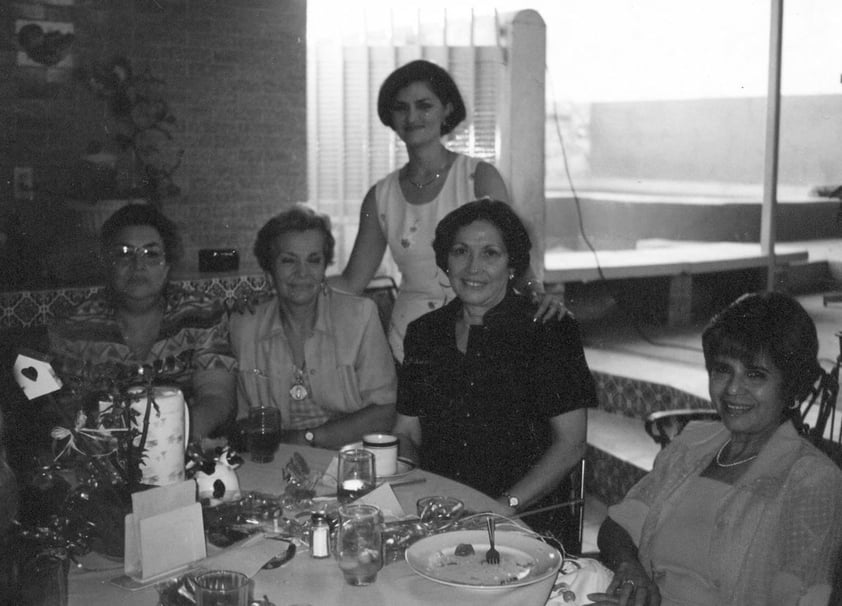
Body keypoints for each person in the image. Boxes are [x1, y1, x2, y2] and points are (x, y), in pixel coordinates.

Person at [591, 292, 842, 606]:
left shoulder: (812, 480)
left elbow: (800, 599)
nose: (732, 389)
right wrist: (630, 568)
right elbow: (618, 527)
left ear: (791, 385)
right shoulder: (694, 444)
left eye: (755, 374)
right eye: (723, 370)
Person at [392, 199, 596, 551]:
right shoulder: (424, 333)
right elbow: (406, 430)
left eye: (490, 253)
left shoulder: (548, 331)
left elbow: (571, 445)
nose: (473, 267)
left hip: (526, 518)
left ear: (512, 264)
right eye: (460, 251)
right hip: (442, 514)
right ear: (445, 260)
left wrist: (500, 509)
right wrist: (410, 480)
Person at [330, 59, 564, 361]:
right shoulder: (380, 196)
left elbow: (514, 258)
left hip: (481, 335)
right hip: (408, 347)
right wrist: (282, 288)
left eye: (424, 105)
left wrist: (538, 294)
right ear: (390, 116)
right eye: (401, 107)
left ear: (448, 109)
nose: (412, 116)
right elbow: (352, 282)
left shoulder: (479, 178)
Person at [48, 204, 237, 444]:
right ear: (108, 263)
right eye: (125, 253)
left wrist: (174, 438)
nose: (138, 265)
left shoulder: (200, 315)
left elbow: (216, 397)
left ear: (167, 265)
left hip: (183, 447)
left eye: (152, 254)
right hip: (105, 458)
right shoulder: (75, 327)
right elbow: (67, 410)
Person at [229, 204, 396, 449]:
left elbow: (385, 411)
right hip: (274, 459)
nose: (302, 273)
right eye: (288, 261)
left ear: (325, 266)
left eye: (313, 260)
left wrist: (307, 439)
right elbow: (243, 420)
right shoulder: (244, 326)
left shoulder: (360, 317)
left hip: (351, 455)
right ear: (269, 270)